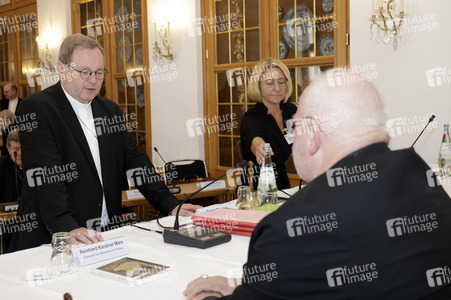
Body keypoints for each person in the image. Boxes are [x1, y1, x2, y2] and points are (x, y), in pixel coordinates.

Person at [184, 71, 451, 299]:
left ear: (311, 134)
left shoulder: (293, 227)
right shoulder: (423, 180)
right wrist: (245, 286)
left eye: (294, 126)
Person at [9, 34, 200, 252]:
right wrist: (67, 227)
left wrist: (170, 205)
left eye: (99, 73)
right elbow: (46, 174)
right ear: (62, 69)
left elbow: (136, 162)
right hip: (54, 240)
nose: (93, 80)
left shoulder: (109, 111)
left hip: (103, 236)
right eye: (85, 72)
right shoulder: (38, 109)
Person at [240, 58, 297, 190]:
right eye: (270, 83)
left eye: (281, 82)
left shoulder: (290, 111)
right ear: (258, 86)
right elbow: (253, 137)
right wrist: (259, 147)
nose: (277, 88)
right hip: (256, 188)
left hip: (283, 186)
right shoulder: (252, 117)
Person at [0, 129, 22, 203]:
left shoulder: (37, 165)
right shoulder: (1, 165)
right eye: (16, 149)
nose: (20, 153)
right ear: (8, 149)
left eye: (23, 148)